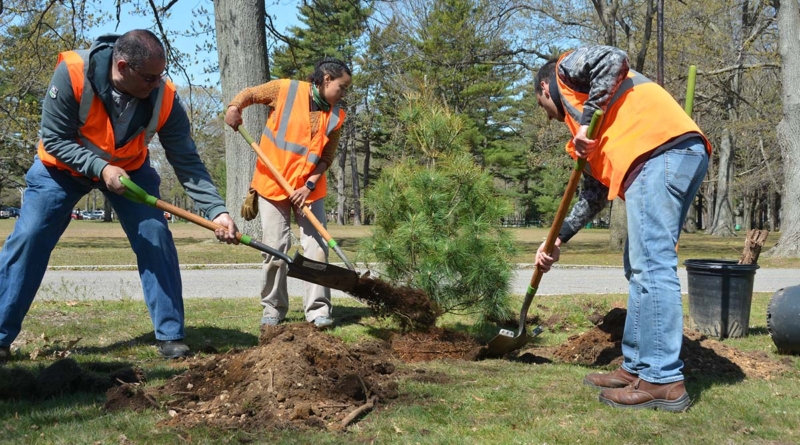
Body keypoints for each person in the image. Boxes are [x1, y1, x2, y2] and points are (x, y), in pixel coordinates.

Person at [0, 30, 238, 362]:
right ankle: (0, 334)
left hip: (130, 170)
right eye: (149, 77)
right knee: (29, 236)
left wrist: (216, 210)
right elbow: (54, 139)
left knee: (155, 235)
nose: (156, 84)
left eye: (161, 75)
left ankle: (171, 335)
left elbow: (186, 160)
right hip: (62, 168)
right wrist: (100, 167)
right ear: (122, 66)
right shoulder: (72, 72)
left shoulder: (164, 97)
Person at [533, 46, 711, 411]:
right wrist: (557, 240)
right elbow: (594, 194)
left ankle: (662, 380)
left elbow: (613, 57)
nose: (550, 119)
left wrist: (585, 121)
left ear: (544, 89)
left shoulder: (566, 71)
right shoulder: (591, 121)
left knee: (653, 264)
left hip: (660, 151)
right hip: (669, 154)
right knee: (639, 265)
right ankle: (638, 368)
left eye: (542, 108)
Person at [224, 58, 352, 330]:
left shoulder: (336, 116)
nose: (344, 93)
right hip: (273, 183)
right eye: (342, 87)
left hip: (308, 189)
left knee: (316, 248)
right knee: (275, 247)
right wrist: (234, 107)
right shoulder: (285, 89)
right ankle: (273, 307)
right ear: (327, 79)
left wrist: (307, 187)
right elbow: (250, 94)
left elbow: (326, 157)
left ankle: (317, 310)